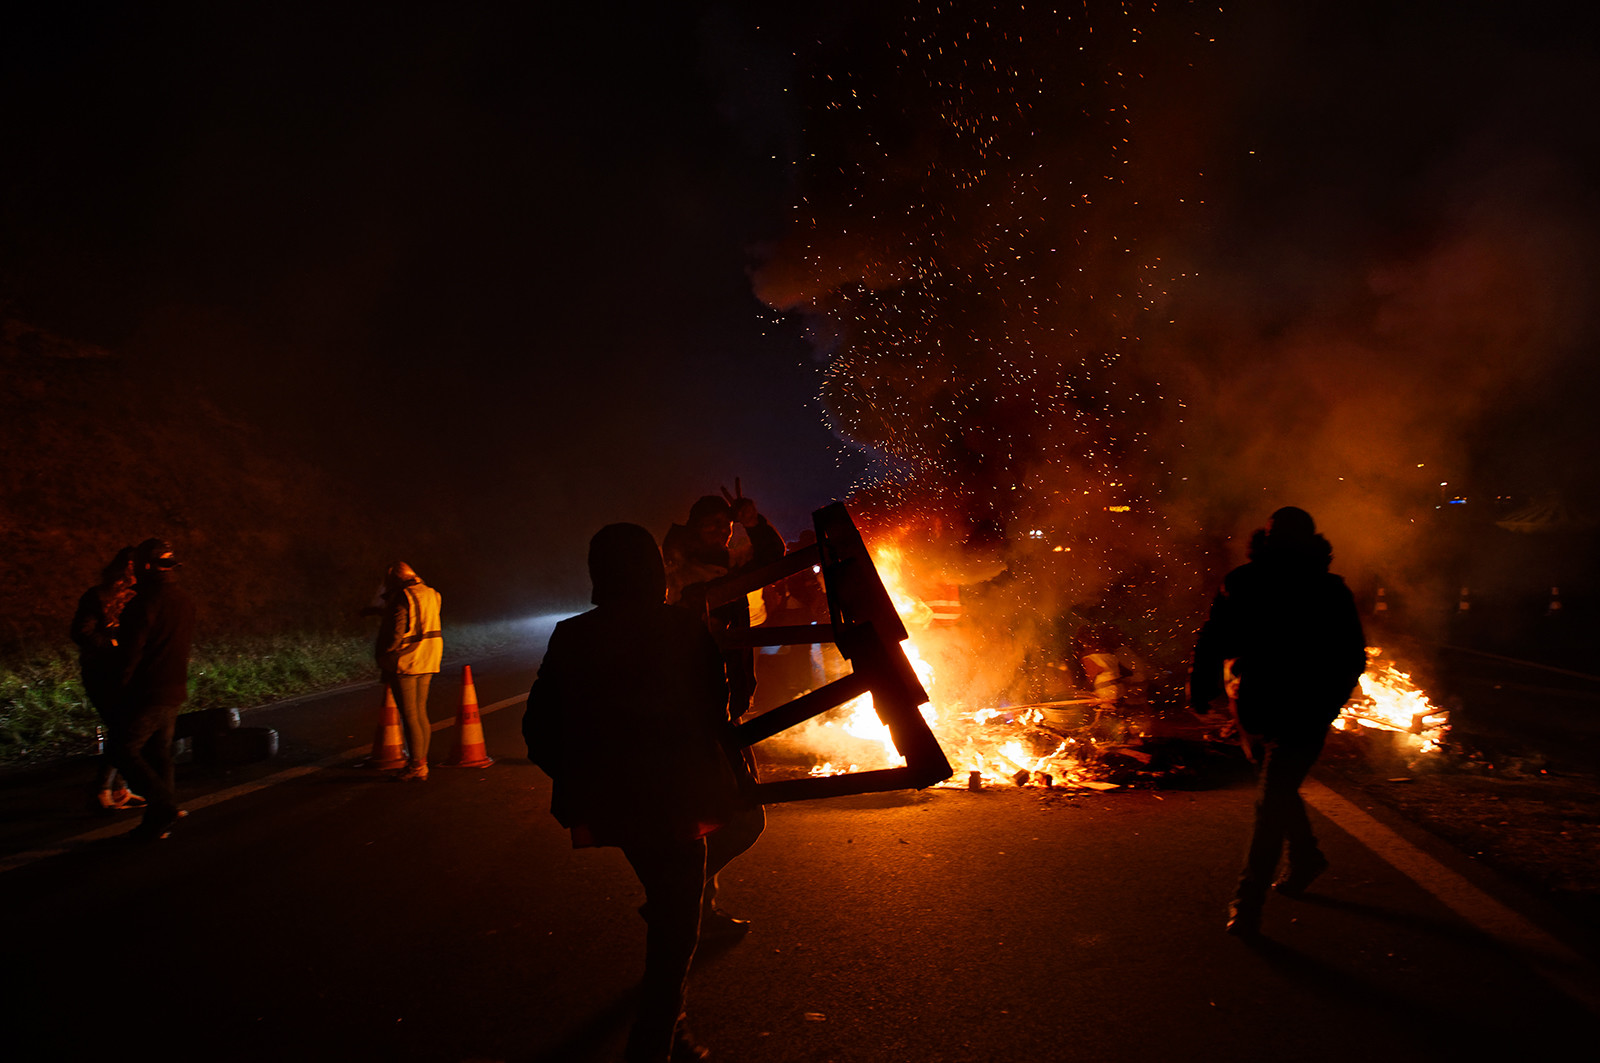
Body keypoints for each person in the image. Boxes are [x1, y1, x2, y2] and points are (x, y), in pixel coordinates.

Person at [524, 523, 757, 1063]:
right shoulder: (681, 628)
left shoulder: (572, 634)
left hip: (617, 802)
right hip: (676, 800)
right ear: (654, 569)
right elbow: (716, 706)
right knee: (677, 926)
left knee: (679, 900)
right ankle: (656, 1041)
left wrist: (584, 777)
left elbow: (538, 729)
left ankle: (662, 1029)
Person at [1190, 506, 1367, 935]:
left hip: (1304, 711)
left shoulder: (1328, 592)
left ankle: (1247, 904)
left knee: (1270, 802)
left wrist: (1329, 704)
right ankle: (1307, 856)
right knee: (1278, 789)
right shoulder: (1244, 584)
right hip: (1256, 707)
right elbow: (1214, 638)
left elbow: (1351, 657)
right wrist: (1203, 687)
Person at [111, 538, 197, 842]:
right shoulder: (183, 599)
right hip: (174, 688)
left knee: (122, 750)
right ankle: (157, 822)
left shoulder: (145, 602)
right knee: (159, 754)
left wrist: (119, 685)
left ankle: (163, 807)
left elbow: (130, 653)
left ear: (146, 567)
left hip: (147, 690)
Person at [71, 546, 144, 812]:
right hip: (101, 672)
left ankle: (120, 788)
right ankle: (102, 789)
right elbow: (82, 632)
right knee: (121, 728)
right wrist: (113, 645)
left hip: (129, 671)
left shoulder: (139, 597)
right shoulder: (98, 596)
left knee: (129, 729)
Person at [375, 562, 442, 781]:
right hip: (429, 657)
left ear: (396, 579)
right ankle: (421, 763)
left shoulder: (403, 596)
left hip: (407, 661)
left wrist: (386, 654)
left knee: (410, 716)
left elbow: (397, 632)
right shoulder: (432, 594)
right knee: (421, 713)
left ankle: (416, 766)